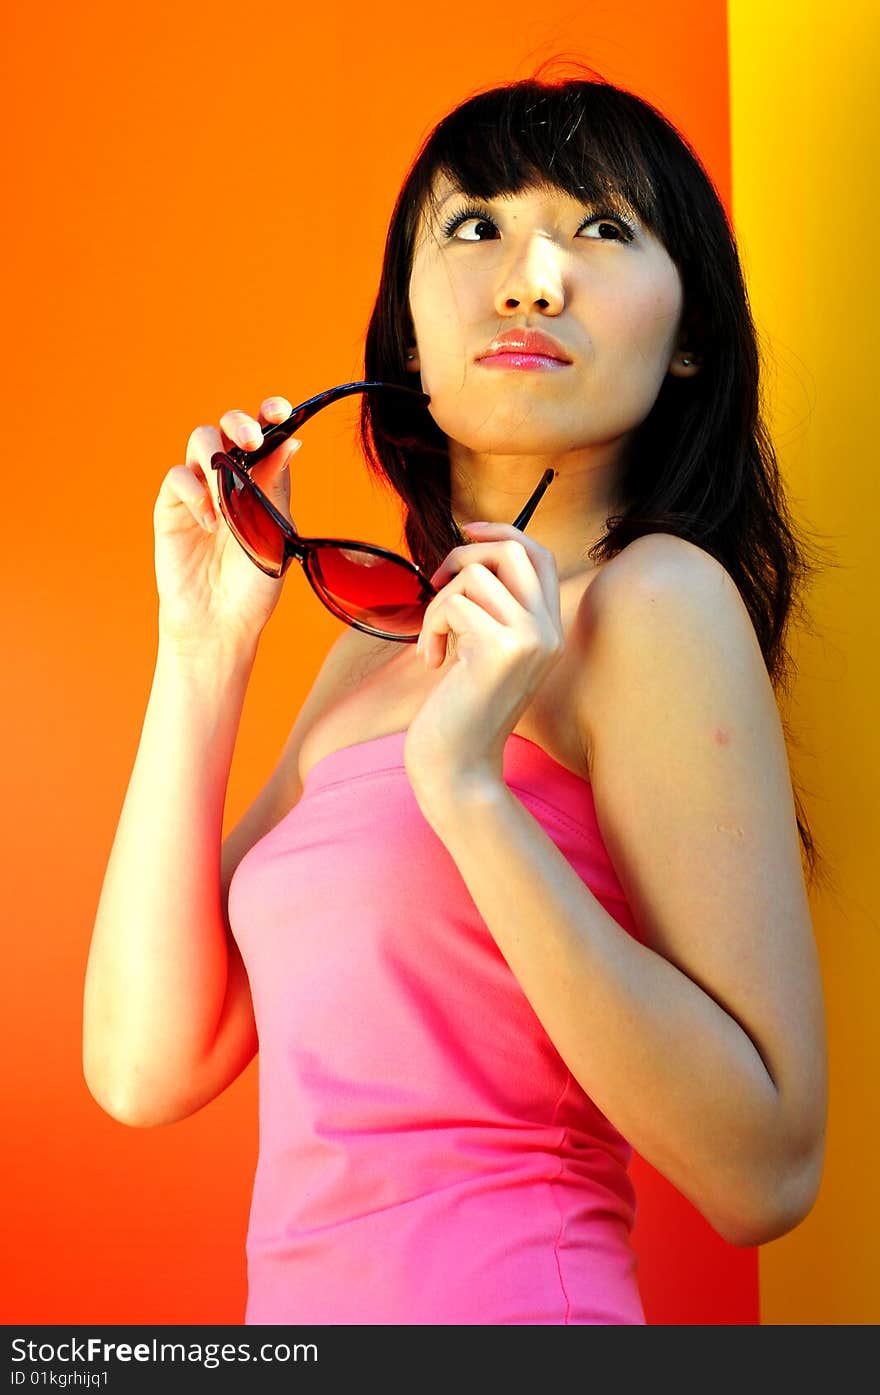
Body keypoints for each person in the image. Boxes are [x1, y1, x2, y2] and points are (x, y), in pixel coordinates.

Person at [83, 71, 829, 1326]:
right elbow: (146, 1064)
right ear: (407, 331)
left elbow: (767, 1167)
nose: (534, 277)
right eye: (476, 224)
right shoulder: (373, 649)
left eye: (602, 227)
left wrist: (471, 792)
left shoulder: (655, 602)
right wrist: (203, 651)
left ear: (689, 331)